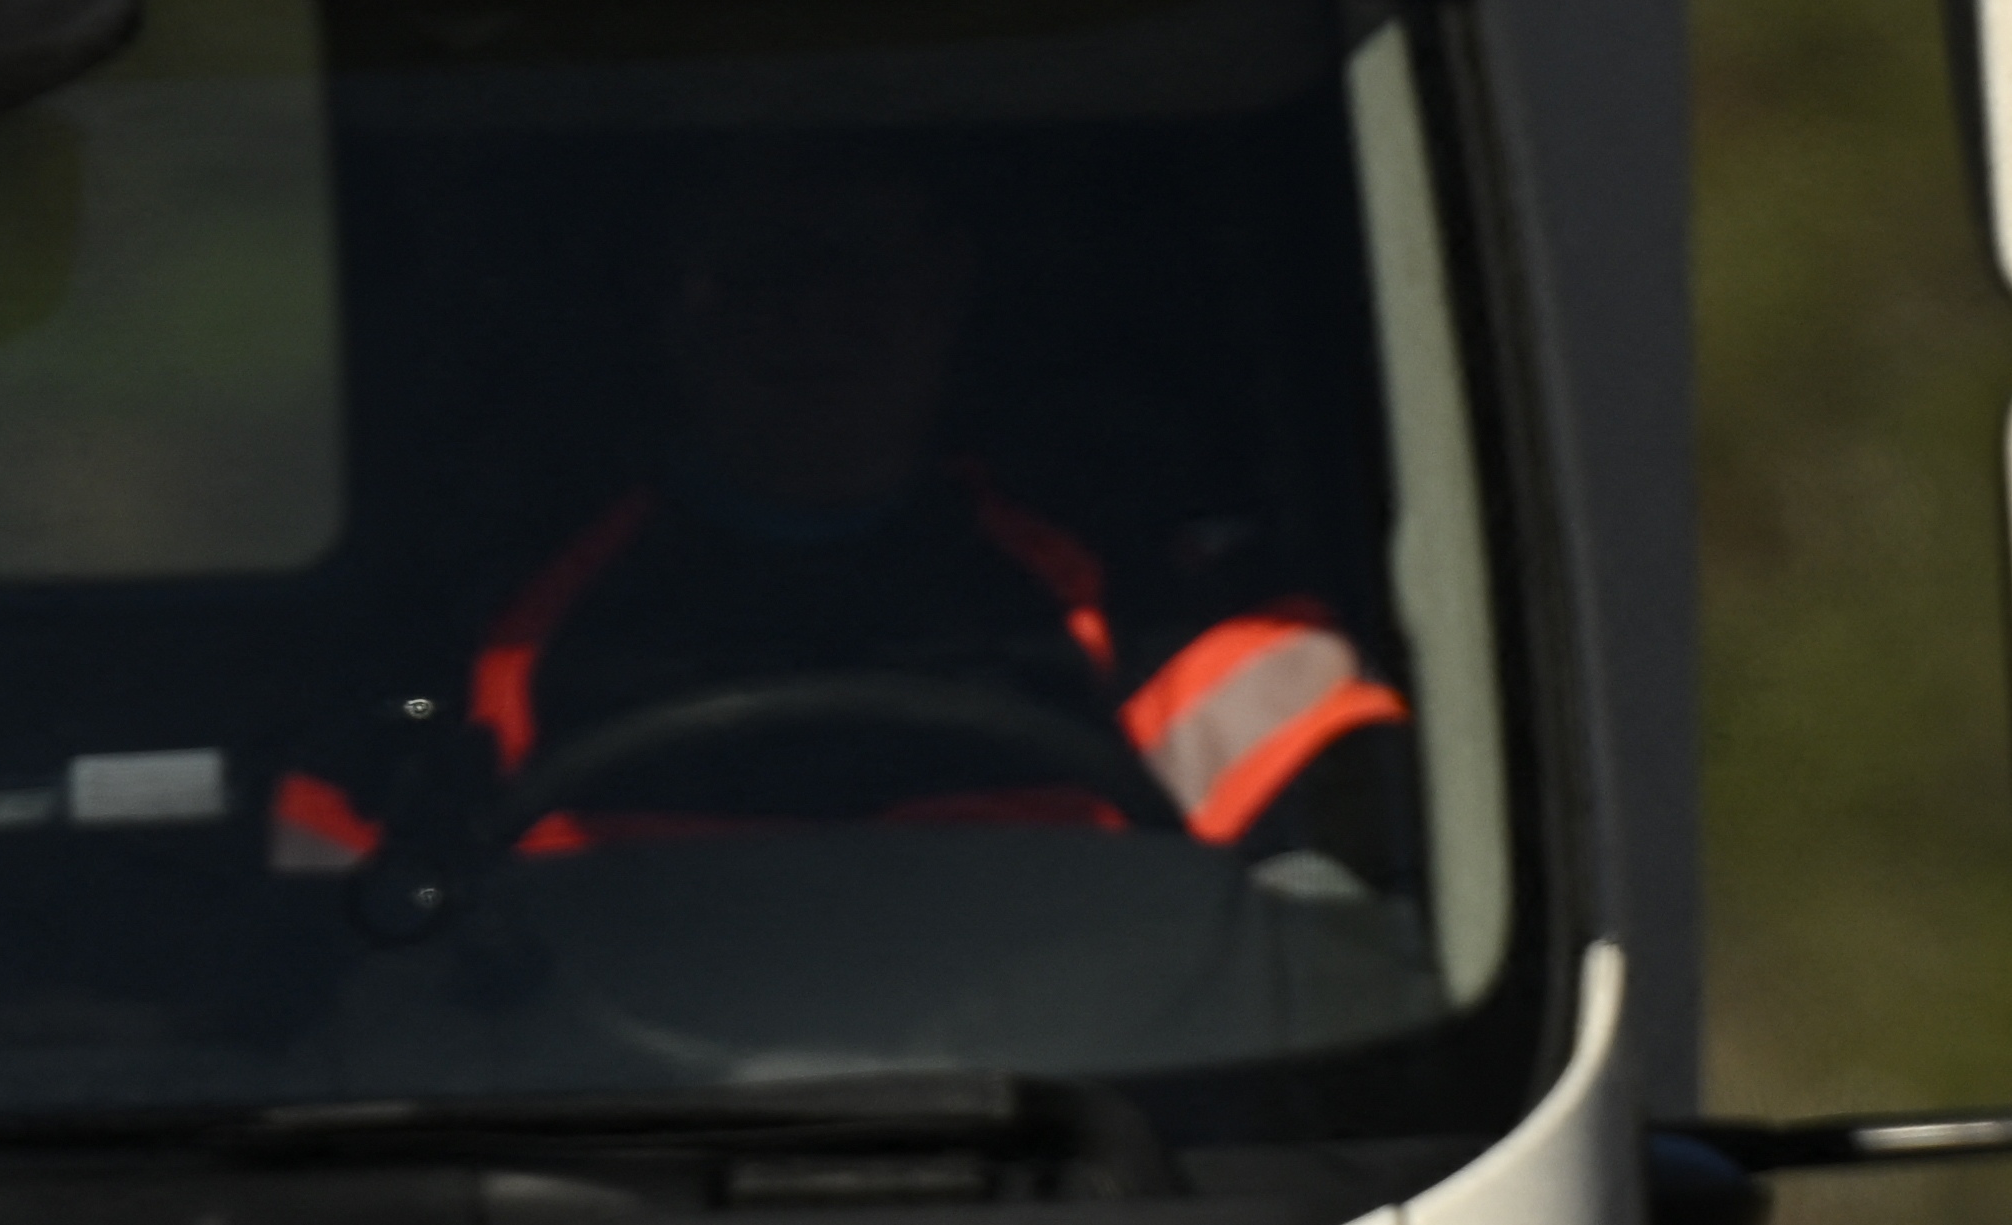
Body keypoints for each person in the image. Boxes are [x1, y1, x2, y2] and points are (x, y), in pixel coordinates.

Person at [274, 164, 1413, 893]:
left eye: (853, 264)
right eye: (751, 273)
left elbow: (1339, 916)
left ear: (943, 285)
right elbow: (324, 958)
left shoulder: (1151, 605)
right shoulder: (480, 634)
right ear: (667, 305)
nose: (807, 316)